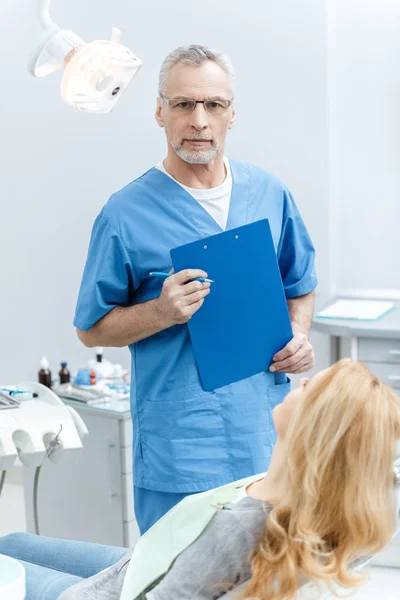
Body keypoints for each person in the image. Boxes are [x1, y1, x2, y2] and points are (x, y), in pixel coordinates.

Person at [73, 44, 318, 534]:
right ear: (160, 113)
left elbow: (300, 283)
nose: (199, 120)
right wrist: (159, 312)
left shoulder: (269, 194)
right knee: (176, 580)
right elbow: (91, 330)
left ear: (232, 115)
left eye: (213, 105)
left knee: (267, 576)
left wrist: (296, 335)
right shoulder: (125, 213)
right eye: (183, 104)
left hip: (264, 435)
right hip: (181, 444)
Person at [1, 359, 400, 600]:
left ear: (316, 428)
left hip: (126, 590)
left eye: (312, 387)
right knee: (12, 542)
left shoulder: (238, 529)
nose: (301, 381)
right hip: (142, 564)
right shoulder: (324, 505)